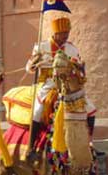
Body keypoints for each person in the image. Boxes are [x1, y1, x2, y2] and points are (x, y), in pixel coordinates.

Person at [24, 16, 95, 162]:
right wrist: (34, 63)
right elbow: (29, 68)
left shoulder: (71, 48)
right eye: (63, 34)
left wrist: (79, 67)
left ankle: (88, 142)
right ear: (56, 33)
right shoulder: (41, 47)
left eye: (67, 33)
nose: (66, 37)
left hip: (68, 85)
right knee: (37, 111)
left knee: (91, 109)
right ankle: (31, 147)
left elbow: (80, 67)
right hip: (49, 85)